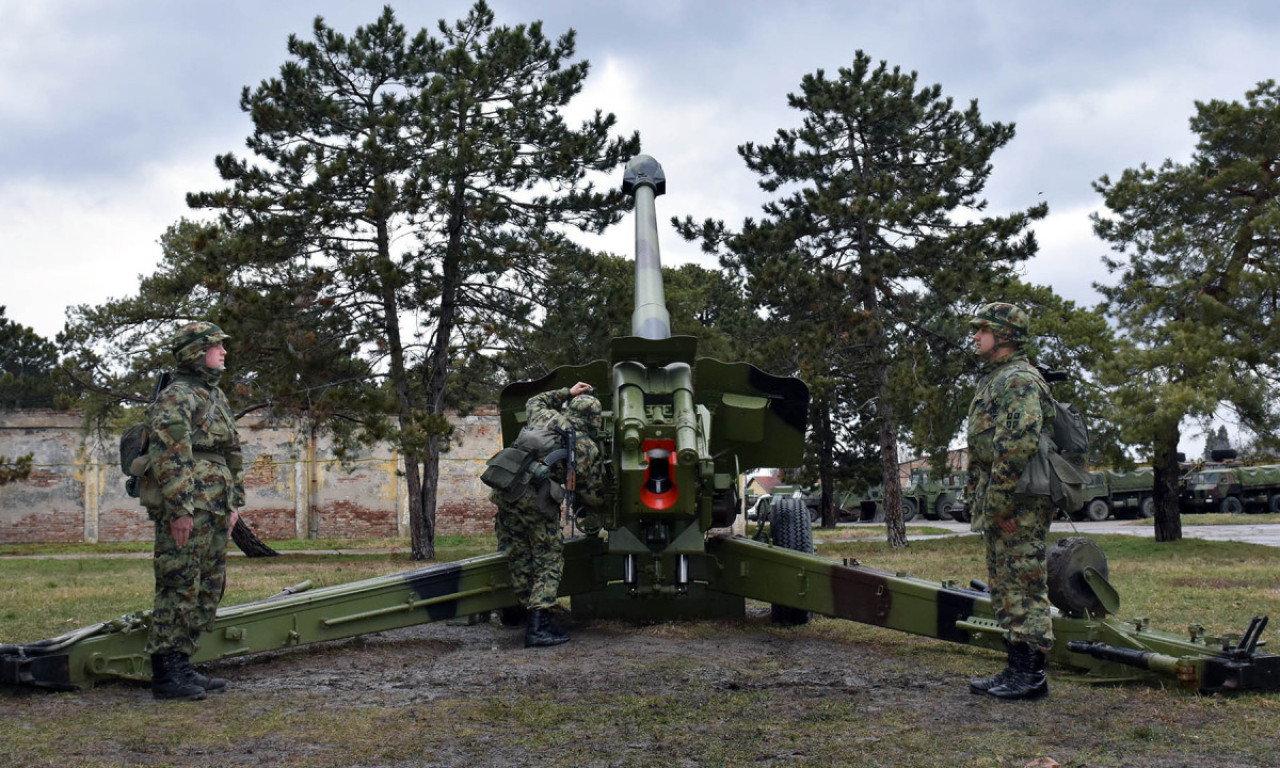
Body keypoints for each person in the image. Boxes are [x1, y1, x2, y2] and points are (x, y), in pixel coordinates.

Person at [145, 321, 245, 700]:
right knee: (178, 582)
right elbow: (170, 455)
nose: (224, 352)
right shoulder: (178, 396)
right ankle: (166, 672)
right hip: (190, 505)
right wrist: (180, 509)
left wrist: (235, 503)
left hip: (217, 505)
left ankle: (183, 661)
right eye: (216, 346)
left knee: (208, 585)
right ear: (195, 351)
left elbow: (232, 453)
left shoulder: (215, 397)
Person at [964, 302, 1055, 701]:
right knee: (1005, 585)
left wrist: (999, 503)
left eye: (982, 329)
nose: (975, 336)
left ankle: (1031, 676)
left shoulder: (1018, 380)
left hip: (1018, 500)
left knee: (1024, 584)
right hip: (1003, 497)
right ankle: (1015, 668)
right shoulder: (998, 378)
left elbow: (1017, 444)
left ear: (1004, 335)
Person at [491, 381, 605, 648]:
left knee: (518, 553)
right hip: (536, 505)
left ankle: (521, 612)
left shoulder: (546, 416)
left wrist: (567, 391)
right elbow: (591, 493)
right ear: (594, 419)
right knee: (548, 560)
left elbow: (533, 401)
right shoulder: (587, 446)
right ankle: (539, 626)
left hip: (507, 495)